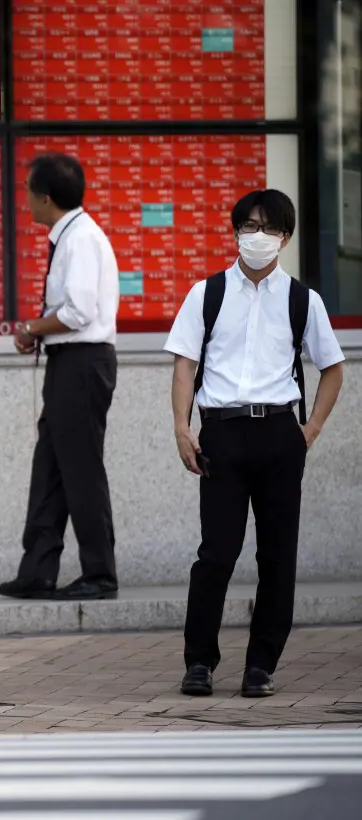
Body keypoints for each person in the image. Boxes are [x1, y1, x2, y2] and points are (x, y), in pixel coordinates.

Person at [165, 189, 344, 698]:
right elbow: (184, 363)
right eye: (247, 226)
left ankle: (260, 666)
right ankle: (198, 663)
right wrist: (182, 427)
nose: (256, 236)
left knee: (277, 557)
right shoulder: (208, 293)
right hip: (220, 432)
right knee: (216, 554)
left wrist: (309, 431)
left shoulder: (302, 300)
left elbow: (332, 369)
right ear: (235, 232)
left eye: (266, 227)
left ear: (284, 237)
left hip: (280, 434)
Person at [0, 152, 121, 602]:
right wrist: (41, 332)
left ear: (45, 197)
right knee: (50, 466)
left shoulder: (81, 239)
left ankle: (100, 573)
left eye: (29, 190)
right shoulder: (71, 236)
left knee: (81, 468)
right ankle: (37, 570)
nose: (26, 199)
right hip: (69, 363)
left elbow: (78, 312)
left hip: (83, 363)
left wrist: (31, 328)